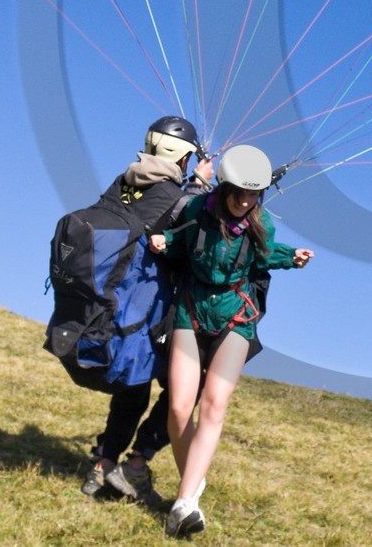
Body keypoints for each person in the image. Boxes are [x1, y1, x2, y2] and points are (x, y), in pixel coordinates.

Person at [150, 144, 313, 536]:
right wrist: (164, 243)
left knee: (214, 405)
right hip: (192, 307)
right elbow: (180, 240)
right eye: (238, 192)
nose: (244, 201)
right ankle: (192, 485)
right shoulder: (195, 211)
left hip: (236, 315)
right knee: (177, 409)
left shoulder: (262, 224)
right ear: (223, 187)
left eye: (252, 194)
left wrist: (293, 256)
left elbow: (266, 254)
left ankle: (183, 504)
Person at [81, 116, 213, 504]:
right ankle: (135, 466)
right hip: (148, 302)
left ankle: (104, 465)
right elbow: (185, 219)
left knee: (134, 384)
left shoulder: (123, 183)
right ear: (185, 158)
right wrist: (201, 185)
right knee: (187, 385)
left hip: (114, 302)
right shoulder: (178, 195)